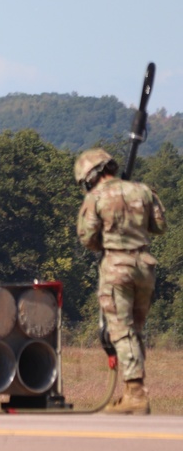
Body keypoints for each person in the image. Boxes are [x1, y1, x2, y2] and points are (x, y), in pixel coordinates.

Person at [75, 148, 167, 414]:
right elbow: (160, 225)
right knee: (136, 330)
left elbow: (88, 238)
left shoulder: (95, 197)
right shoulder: (142, 190)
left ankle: (136, 393)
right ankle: (131, 390)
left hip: (117, 267)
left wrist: (111, 234)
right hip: (144, 266)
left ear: (90, 177)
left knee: (120, 330)